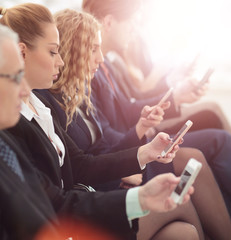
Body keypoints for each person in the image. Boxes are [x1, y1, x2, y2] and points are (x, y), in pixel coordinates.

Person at [0, 5, 204, 240]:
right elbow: (53, 204)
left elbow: (79, 165)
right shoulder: (19, 122)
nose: (62, 62)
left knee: (182, 233)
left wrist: (146, 152)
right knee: (182, 200)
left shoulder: (40, 104)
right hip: (73, 219)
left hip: (79, 206)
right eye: (54, 52)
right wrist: (138, 194)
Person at [82, 0, 231, 217]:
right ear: (109, 22)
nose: (134, 29)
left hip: (137, 138)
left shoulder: (107, 66)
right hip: (132, 146)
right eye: (130, 22)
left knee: (213, 124)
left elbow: (128, 107)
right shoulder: (92, 69)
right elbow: (112, 128)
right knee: (215, 139)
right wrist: (145, 131)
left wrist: (176, 95)